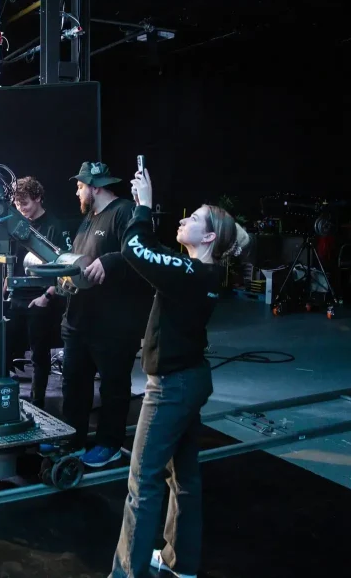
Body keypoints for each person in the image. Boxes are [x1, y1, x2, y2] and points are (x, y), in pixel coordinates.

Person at [110, 168, 251, 578]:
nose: (185, 219)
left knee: (143, 483)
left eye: (195, 219)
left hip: (171, 388)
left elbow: (136, 249)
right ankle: (181, 563)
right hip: (190, 381)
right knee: (183, 476)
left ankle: (126, 573)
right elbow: (153, 252)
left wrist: (144, 205)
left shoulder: (191, 273)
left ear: (209, 238)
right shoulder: (200, 273)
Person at [56, 161, 149, 468]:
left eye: (80, 186)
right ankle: (73, 440)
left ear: (95, 187)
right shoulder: (88, 219)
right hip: (79, 320)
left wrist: (109, 261)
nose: (77, 192)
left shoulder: (124, 212)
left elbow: (139, 252)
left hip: (114, 324)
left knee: (113, 386)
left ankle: (109, 444)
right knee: (74, 384)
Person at [5, 176, 64, 408]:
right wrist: (6, 280)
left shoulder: (54, 226)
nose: (21, 209)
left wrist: (46, 296)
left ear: (38, 198)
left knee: (39, 355)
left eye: (25, 204)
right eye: (17, 205)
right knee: (7, 348)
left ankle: (38, 404)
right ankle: (7, 401)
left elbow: (64, 269)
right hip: (17, 297)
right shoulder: (18, 224)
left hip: (40, 299)